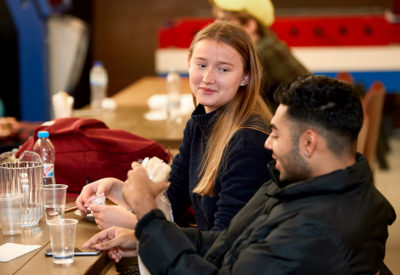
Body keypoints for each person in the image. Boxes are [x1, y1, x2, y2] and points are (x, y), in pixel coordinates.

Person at [83, 75, 396, 274]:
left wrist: (148, 215)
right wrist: (143, 238)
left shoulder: (311, 233)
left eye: (275, 133)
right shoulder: (303, 185)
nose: (267, 142)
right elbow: (229, 241)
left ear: (309, 142)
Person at [76, 21, 273, 231]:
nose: (208, 78)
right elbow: (173, 200)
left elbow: (225, 243)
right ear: (188, 62)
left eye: (223, 69)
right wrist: (119, 190)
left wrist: (136, 225)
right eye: (201, 65)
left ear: (245, 76)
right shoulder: (199, 124)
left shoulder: (249, 141)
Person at [210, 0, 310, 112]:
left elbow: (229, 99)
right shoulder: (267, 46)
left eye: (224, 20)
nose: (215, 24)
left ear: (249, 25)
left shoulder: (262, 53)